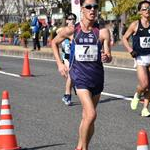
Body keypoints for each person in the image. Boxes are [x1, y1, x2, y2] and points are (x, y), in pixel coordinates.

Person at [52, 0, 112, 149]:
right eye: (89, 7)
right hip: (80, 77)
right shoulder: (73, 30)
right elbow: (54, 43)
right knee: (91, 114)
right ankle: (82, 147)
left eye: (95, 7)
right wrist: (60, 63)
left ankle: (82, 146)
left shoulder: (103, 32)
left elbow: (108, 55)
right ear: (82, 10)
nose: (93, 10)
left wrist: (107, 57)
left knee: (88, 118)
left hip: (97, 77)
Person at [122, 0, 150, 117]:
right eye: (144, 9)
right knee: (144, 84)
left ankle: (145, 108)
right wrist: (130, 50)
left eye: (149, 8)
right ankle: (138, 94)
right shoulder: (135, 24)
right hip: (140, 58)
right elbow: (124, 38)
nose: (147, 10)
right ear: (139, 12)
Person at [57, 13, 77, 106]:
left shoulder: (77, 30)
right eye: (70, 19)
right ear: (67, 20)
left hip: (76, 56)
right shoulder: (63, 30)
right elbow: (57, 31)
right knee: (70, 75)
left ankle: (69, 92)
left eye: (74, 19)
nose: (72, 20)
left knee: (72, 76)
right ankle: (67, 95)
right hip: (66, 57)